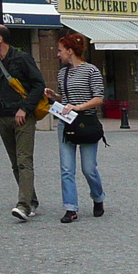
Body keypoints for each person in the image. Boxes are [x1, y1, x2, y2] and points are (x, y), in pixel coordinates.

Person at [0, 24, 45, 222]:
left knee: (24, 160)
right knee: (15, 164)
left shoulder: (22, 58)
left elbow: (38, 85)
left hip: (23, 118)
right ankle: (31, 200)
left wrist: (25, 108)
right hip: (3, 118)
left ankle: (23, 206)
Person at [46, 32, 107, 223]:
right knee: (66, 168)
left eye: (60, 50)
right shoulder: (62, 72)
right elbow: (66, 99)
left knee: (88, 169)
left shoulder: (91, 71)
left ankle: (98, 197)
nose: (58, 54)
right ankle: (70, 208)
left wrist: (79, 107)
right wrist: (54, 96)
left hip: (86, 122)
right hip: (66, 123)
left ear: (70, 51)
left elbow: (99, 98)